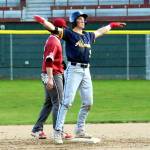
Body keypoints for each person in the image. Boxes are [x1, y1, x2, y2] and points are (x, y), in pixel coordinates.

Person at [34, 11, 126, 143]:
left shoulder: (88, 36)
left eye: (84, 19)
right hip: (73, 70)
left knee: (88, 102)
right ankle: (57, 131)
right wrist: (43, 21)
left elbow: (100, 31)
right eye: (80, 19)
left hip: (86, 70)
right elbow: (53, 28)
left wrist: (112, 25)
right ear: (74, 21)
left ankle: (80, 130)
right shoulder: (70, 34)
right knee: (66, 102)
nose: (83, 20)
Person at [31, 18, 72, 139]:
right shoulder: (54, 41)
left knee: (49, 102)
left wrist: (61, 65)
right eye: (64, 28)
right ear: (60, 29)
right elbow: (49, 60)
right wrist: (50, 78)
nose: (64, 30)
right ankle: (58, 130)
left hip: (51, 73)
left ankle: (37, 129)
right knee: (58, 102)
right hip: (53, 74)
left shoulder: (53, 40)